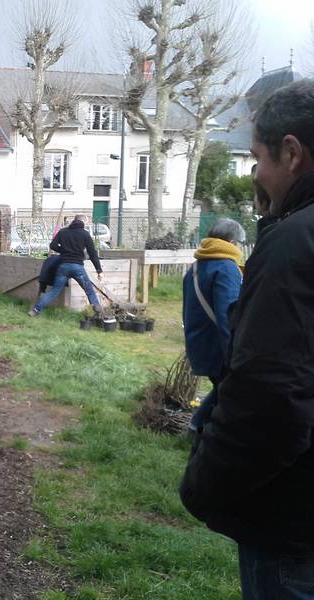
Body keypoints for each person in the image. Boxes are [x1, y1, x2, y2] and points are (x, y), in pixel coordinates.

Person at [180, 79, 314, 599]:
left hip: (293, 521)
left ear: (292, 153)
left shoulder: (292, 246)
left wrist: (202, 485)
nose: (256, 173)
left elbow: (270, 395)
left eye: (258, 158)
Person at [182, 218, 245, 432]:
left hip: (199, 339)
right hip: (218, 345)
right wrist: (234, 352)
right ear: (231, 241)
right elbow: (229, 315)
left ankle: (199, 426)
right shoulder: (226, 267)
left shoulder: (197, 265)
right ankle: (198, 426)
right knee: (229, 388)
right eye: (238, 243)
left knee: (223, 387)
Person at [28, 214, 103, 316]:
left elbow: (53, 245)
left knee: (54, 291)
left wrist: (63, 251)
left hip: (63, 266)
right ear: (84, 222)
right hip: (77, 267)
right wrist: (99, 270)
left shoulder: (63, 232)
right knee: (89, 290)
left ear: (74, 221)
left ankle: (35, 310)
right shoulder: (85, 234)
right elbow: (93, 253)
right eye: (86, 222)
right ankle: (98, 312)